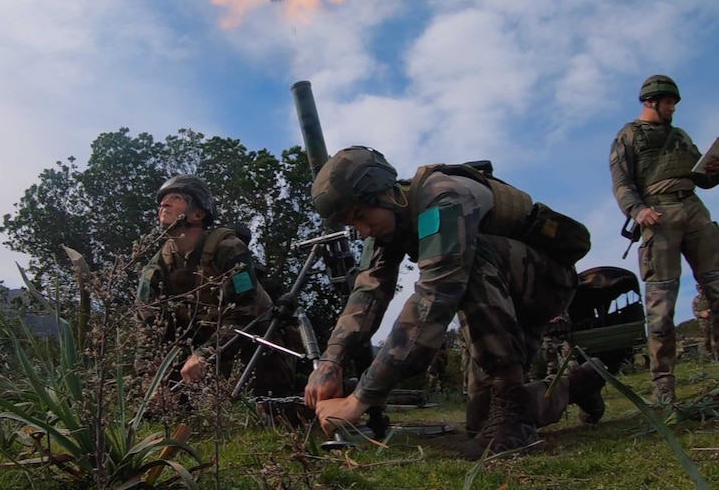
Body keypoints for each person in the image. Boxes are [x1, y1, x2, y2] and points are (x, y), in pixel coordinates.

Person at [303, 146, 604, 459]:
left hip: (545, 283)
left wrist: (359, 400)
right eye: (354, 225)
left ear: (386, 193)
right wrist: (331, 361)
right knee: (483, 420)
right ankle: (578, 384)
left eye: (363, 217)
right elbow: (367, 293)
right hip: (501, 297)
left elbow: (435, 298)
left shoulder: (444, 198)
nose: (363, 231)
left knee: (468, 259)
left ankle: (514, 417)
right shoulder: (389, 222)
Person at [610, 74, 719, 402]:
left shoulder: (680, 136)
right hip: (658, 214)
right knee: (661, 305)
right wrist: (637, 210)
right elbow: (621, 180)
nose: (673, 108)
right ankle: (663, 389)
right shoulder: (629, 135)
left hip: (694, 210)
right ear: (650, 101)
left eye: (674, 102)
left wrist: (714, 169)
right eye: (668, 102)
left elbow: (702, 179)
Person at [136, 174, 295, 398]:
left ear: (198, 214)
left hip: (255, 333)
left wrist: (206, 353)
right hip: (199, 338)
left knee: (273, 404)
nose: (164, 204)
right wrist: (149, 382)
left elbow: (245, 311)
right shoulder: (156, 268)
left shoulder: (228, 249)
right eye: (162, 200)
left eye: (176, 197)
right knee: (163, 406)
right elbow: (148, 328)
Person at [692, 284, 714, 358]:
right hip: (703, 322)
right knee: (706, 340)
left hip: (713, 319)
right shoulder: (695, 300)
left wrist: (708, 311)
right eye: (699, 289)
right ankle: (710, 357)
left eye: (701, 288)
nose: (700, 290)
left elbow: (715, 305)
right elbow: (694, 312)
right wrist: (701, 314)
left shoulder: (710, 297)